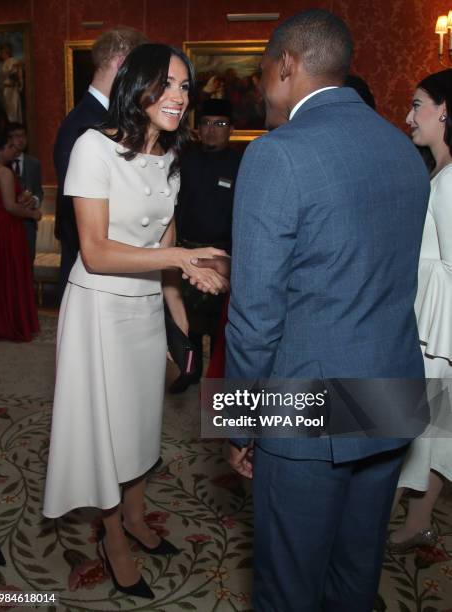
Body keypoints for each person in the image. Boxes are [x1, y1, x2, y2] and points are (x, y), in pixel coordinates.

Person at [224, 9, 430, 612]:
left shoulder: (275, 155)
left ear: (286, 65)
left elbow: (255, 316)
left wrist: (239, 420)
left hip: (307, 400)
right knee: (355, 578)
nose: (262, 88)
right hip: (393, 387)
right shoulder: (401, 147)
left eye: (264, 73)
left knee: (287, 588)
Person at [43, 43, 228, 599]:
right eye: (167, 84)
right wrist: (182, 259)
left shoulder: (171, 157)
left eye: (185, 87)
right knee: (105, 429)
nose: (178, 96)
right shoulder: (92, 148)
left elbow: (162, 239)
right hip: (98, 308)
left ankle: (136, 515)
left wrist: (179, 326)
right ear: (138, 86)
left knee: (142, 422)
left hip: (146, 307)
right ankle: (111, 537)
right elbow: (97, 251)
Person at [387, 69, 452, 553]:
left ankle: (370, 528)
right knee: (433, 427)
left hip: (435, 325)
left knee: (408, 426)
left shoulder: (449, 181)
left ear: (445, 110)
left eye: (417, 104)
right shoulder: (440, 171)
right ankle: (420, 522)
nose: (409, 115)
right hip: (433, 319)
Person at [54, 27, 147, 298]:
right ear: (122, 64)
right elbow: (77, 216)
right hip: (93, 276)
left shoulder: (105, 118)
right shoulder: (85, 125)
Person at [171, 98, 242, 393]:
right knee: (188, 322)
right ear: (198, 128)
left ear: (231, 130)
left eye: (220, 124)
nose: (212, 130)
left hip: (224, 254)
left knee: (219, 325)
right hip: (187, 251)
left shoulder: (242, 162)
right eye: (206, 123)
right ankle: (189, 371)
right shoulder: (184, 159)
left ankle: (216, 379)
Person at [0, 131, 41, 342]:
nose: (15, 150)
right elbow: (10, 207)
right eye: (10, 146)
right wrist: (33, 214)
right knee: (12, 273)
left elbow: (3, 202)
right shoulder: (5, 172)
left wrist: (23, 200)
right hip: (8, 229)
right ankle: (12, 322)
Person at [8, 121, 43, 263]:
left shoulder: (34, 163)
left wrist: (34, 200)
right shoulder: (2, 164)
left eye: (23, 136)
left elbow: (39, 191)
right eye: (16, 136)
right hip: (8, 223)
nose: (20, 140)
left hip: (28, 224)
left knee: (28, 262)